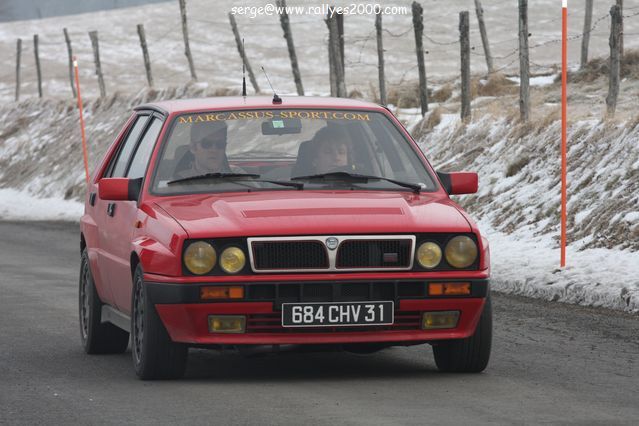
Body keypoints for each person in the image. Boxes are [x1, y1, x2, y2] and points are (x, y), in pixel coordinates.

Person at [175, 120, 242, 178]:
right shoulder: (178, 182)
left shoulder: (238, 176)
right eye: (206, 144)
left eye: (220, 144)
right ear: (193, 147)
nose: (214, 150)